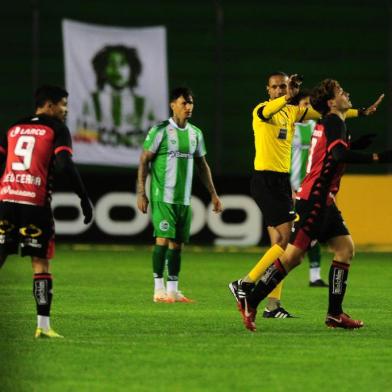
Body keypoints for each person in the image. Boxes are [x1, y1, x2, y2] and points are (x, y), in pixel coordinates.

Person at [237, 78, 391, 331]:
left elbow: (333, 153)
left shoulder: (332, 122)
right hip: (315, 200)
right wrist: (378, 157)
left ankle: (334, 314)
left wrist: (354, 143)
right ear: (331, 102)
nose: (346, 93)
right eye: (341, 91)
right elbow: (338, 154)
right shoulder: (332, 122)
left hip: (323, 199)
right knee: (292, 257)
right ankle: (251, 300)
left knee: (345, 248)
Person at [0, 85, 93, 338]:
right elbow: (64, 164)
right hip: (34, 204)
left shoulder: (13, 127)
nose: (66, 110)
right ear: (50, 105)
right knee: (40, 263)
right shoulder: (57, 129)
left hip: (6, 201)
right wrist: (84, 197)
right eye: (63, 104)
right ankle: (43, 326)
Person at [137, 87, 223, 303]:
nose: (189, 107)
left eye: (191, 103)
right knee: (163, 239)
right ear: (172, 104)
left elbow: (202, 165)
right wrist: (141, 192)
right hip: (162, 196)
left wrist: (213, 194)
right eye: (184, 103)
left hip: (183, 199)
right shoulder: (160, 131)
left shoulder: (195, 133)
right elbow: (144, 160)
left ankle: (173, 291)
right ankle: (158, 290)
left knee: (177, 244)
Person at [75, 45, 156, 147]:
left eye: (122, 64)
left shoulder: (145, 104)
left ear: (132, 68)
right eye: (111, 64)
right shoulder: (92, 101)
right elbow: (80, 134)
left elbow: (157, 138)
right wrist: (102, 136)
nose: (117, 69)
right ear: (103, 70)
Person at [290, 91, 328, 287]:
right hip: (291, 186)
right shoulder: (290, 127)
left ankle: (315, 275)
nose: (306, 108)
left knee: (312, 231)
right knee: (289, 236)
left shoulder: (316, 127)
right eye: (303, 104)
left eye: (308, 104)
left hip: (310, 187)